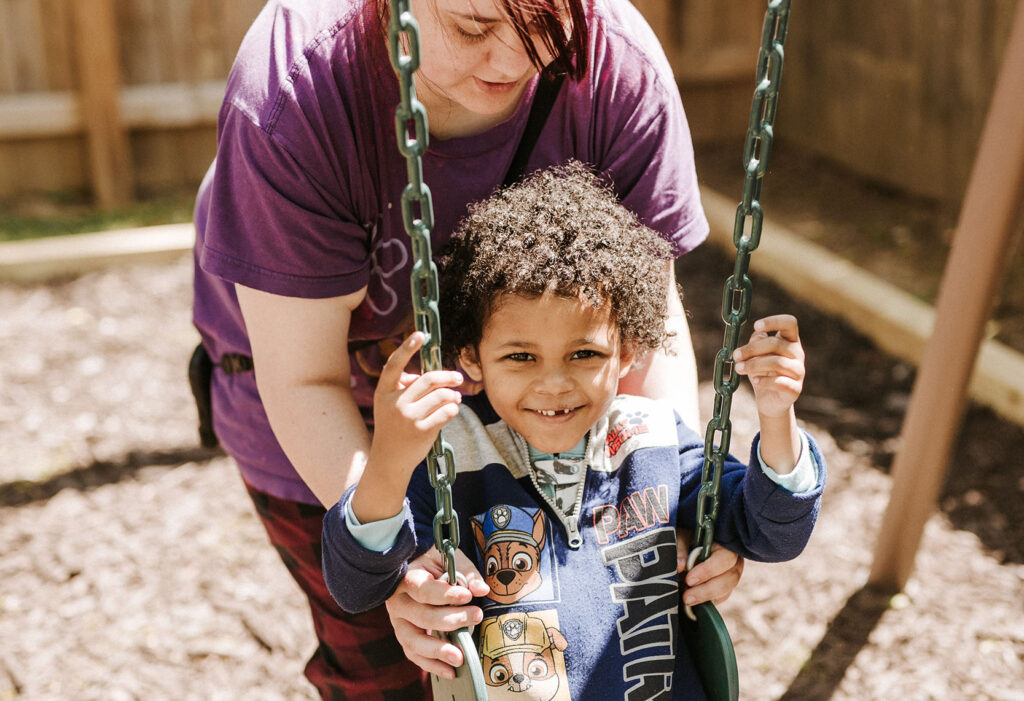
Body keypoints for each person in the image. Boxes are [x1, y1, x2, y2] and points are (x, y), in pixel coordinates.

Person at [192, 0, 744, 696]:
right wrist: (393, 550)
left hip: (555, 415)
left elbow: (646, 333)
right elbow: (304, 378)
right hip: (330, 417)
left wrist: (669, 503)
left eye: (546, 21)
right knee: (390, 666)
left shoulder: (617, 67)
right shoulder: (294, 90)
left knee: (580, 661)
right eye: (474, 27)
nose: (513, 59)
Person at [321, 163, 826, 699]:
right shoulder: (454, 457)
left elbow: (773, 533)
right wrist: (391, 461)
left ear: (628, 350)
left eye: (585, 354)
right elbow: (358, 584)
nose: (554, 384)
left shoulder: (651, 438)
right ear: (471, 357)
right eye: (520, 356)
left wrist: (776, 416)